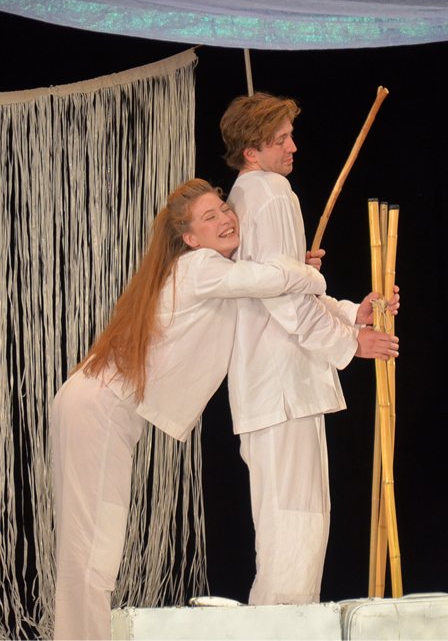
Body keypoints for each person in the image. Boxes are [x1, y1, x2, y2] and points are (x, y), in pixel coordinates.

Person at [50, 177, 330, 640]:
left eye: (224, 208)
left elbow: (266, 287)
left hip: (95, 406)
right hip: (96, 408)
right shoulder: (200, 267)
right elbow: (267, 279)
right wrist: (308, 272)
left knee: (90, 545)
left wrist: (322, 292)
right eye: (209, 217)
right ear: (190, 238)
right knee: (93, 548)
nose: (226, 219)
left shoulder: (209, 275)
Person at [220, 92, 400, 606]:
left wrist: (349, 313)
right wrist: (350, 342)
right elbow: (284, 299)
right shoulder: (272, 192)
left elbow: (286, 286)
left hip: (275, 387)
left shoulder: (249, 195)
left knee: (291, 528)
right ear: (251, 151)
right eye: (281, 140)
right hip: (282, 388)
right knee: (294, 531)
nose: (293, 147)